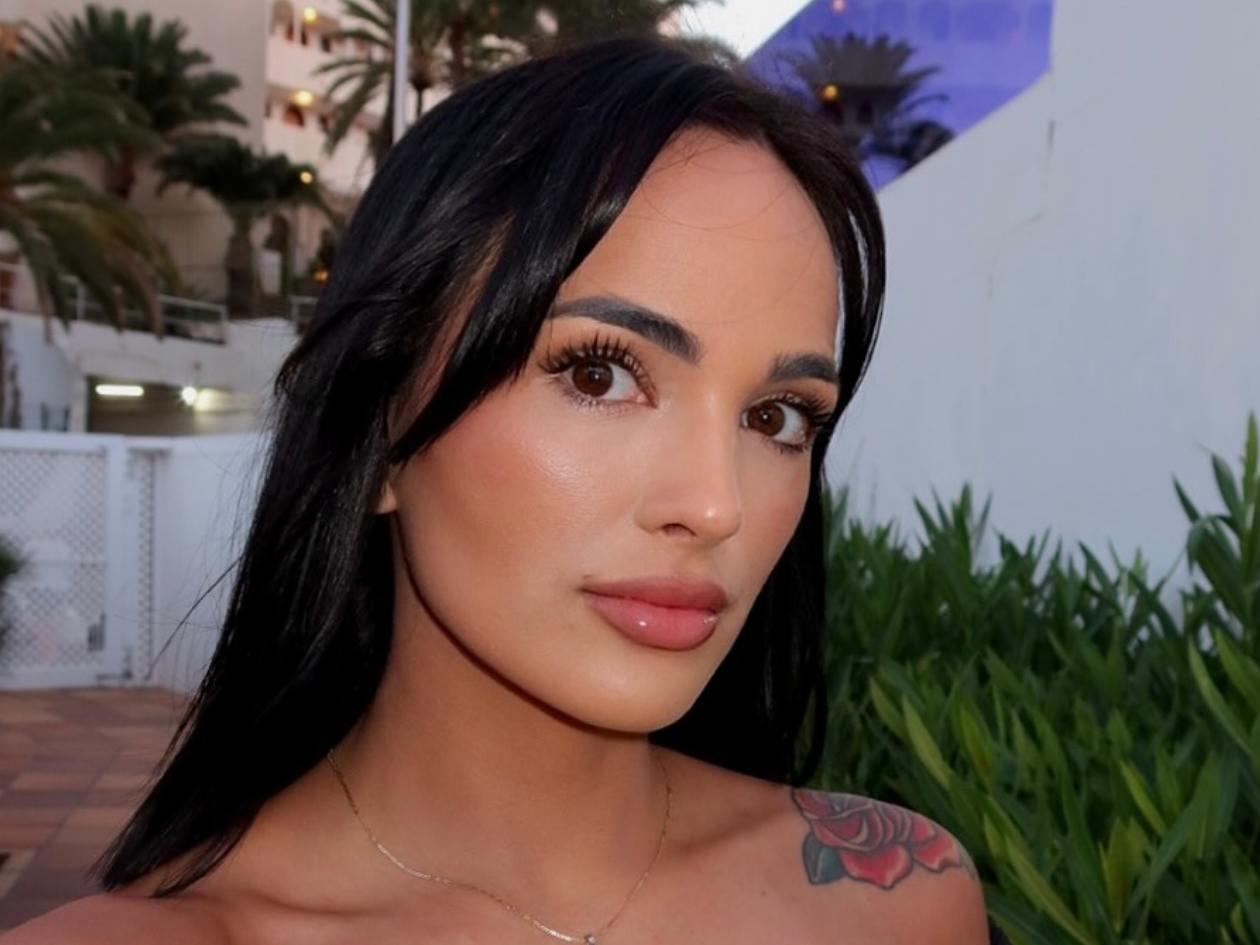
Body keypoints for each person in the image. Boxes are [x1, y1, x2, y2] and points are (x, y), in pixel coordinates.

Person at [6, 38, 1004, 944]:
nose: (716, 505)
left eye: (778, 416)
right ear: (381, 429)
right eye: (599, 374)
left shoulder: (896, 905)